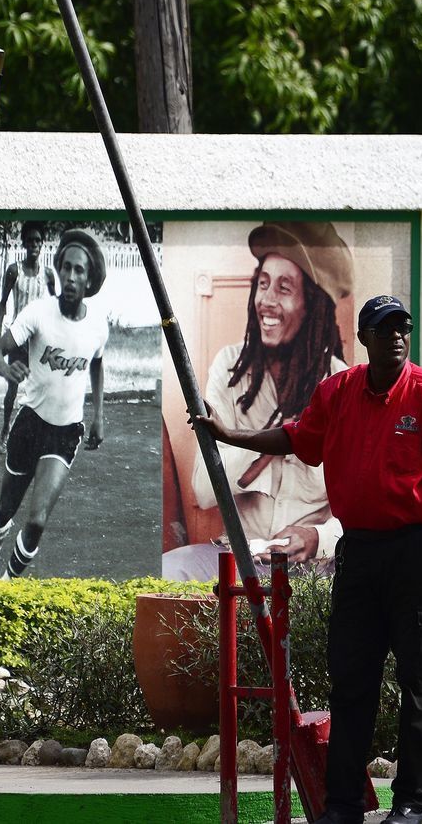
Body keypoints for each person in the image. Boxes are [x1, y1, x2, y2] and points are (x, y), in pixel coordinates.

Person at [193, 295, 422, 824]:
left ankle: (412, 803)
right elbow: (298, 437)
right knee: (352, 680)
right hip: (362, 553)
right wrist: (232, 435)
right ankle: (344, 805)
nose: (397, 337)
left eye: (404, 328)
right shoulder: (339, 392)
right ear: (365, 339)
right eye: (385, 329)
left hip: (419, 554)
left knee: (418, 683)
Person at [163, 221, 353, 580]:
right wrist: (279, 439)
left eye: (284, 288)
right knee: (172, 573)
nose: (266, 300)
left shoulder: (341, 384)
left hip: (314, 567)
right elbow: (204, 490)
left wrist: (318, 537)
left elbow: (364, 501)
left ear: (311, 305)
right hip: (237, 555)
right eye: (263, 284)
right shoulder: (230, 369)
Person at [0, 228, 108, 580]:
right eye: (66, 267)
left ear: (90, 278)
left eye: (79, 270)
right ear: (59, 269)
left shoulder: (97, 324)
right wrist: (7, 370)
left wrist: (98, 414)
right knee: (6, 509)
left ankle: (5, 585)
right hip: (30, 424)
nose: (70, 276)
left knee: (36, 521)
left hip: (66, 432)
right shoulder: (38, 313)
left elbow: (96, 361)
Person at [0, 221, 59, 453]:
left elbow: (55, 306)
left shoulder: (48, 274)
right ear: (24, 243)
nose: (34, 245)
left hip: (39, 340)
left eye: (38, 241)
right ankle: (5, 431)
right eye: (30, 241)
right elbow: (1, 305)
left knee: (42, 386)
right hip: (18, 338)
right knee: (13, 387)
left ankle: (39, 436)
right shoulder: (14, 271)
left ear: (42, 245)